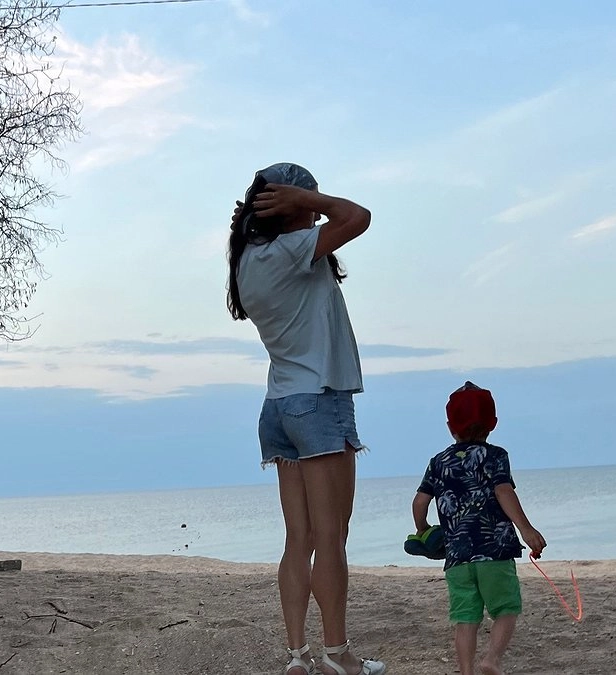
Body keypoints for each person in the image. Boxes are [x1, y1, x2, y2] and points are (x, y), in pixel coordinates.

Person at [227, 163, 385, 675]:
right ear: (288, 204)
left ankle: (298, 656)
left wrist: (298, 203)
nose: (316, 212)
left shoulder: (249, 258)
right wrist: (307, 200)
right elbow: (358, 216)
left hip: (279, 405)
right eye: (307, 202)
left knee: (299, 539)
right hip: (318, 400)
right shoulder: (291, 250)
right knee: (332, 536)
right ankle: (337, 654)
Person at [411, 382, 547, 675]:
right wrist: (526, 529)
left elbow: (420, 502)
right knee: (506, 608)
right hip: (494, 552)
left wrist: (423, 532)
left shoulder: (438, 462)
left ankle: (466, 671)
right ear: (493, 423)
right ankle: (492, 660)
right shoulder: (496, 455)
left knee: (465, 618)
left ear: (450, 427)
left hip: (457, 557)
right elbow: (503, 490)